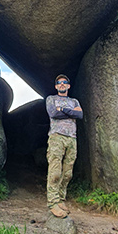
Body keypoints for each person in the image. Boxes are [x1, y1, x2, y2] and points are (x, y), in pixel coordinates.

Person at [45, 74, 83, 218]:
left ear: (68, 85)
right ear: (56, 86)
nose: (62, 84)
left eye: (64, 82)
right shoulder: (51, 99)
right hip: (57, 137)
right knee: (55, 171)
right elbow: (53, 113)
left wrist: (63, 110)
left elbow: (80, 115)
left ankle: (61, 199)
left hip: (71, 139)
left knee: (67, 173)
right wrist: (70, 113)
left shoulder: (74, 101)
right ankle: (53, 203)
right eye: (59, 82)